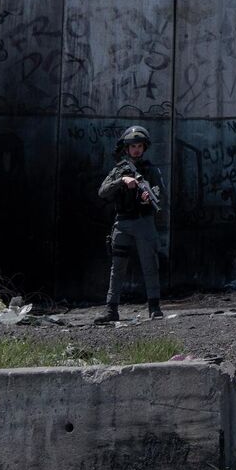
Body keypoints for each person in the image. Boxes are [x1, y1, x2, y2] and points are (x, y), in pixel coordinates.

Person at [96, 125, 164, 322]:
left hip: (144, 222)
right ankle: (111, 310)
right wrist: (122, 181)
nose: (136, 149)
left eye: (140, 146)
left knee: (149, 265)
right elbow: (103, 191)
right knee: (117, 268)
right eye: (133, 146)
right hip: (123, 223)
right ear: (126, 148)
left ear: (144, 147)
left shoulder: (150, 171)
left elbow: (160, 195)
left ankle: (154, 307)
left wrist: (146, 198)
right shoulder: (119, 171)